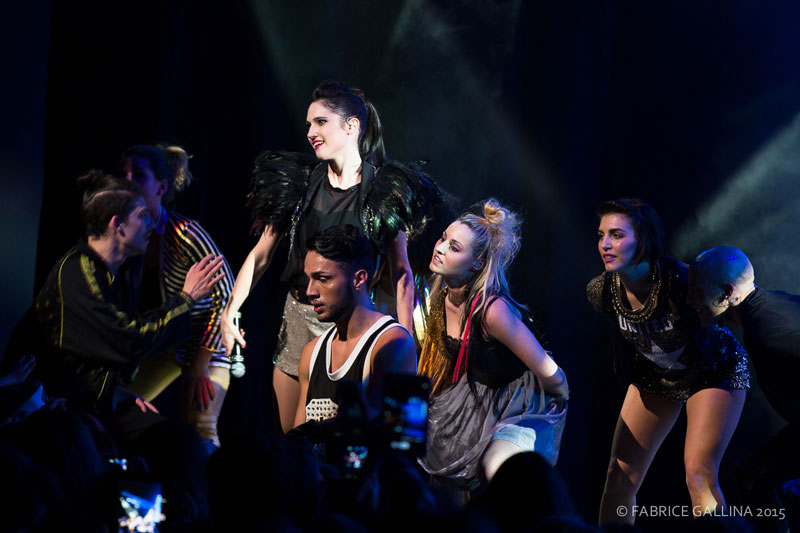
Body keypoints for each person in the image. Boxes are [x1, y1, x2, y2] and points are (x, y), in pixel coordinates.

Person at [221, 80, 447, 432]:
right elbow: (261, 254)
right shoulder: (299, 185)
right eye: (309, 124)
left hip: (357, 326)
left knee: (356, 435)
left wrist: (403, 340)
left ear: (352, 126)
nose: (311, 132)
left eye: (321, 122)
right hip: (300, 319)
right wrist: (230, 311)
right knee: (295, 440)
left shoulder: (383, 191)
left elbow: (402, 273)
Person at [587, 199, 750, 525]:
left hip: (713, 372)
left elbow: (739, 308)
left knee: (699, 475)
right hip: (657, 375)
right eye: (601, 235)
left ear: (643, 239)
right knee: (619, 477)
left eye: (617, 235)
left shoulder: (681, 279)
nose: (605, 244)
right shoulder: (601, 291)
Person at [32, 171, 224, 440]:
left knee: (173, 438)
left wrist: (119, 393)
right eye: (142, 216)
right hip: (54, 405)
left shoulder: (116, 272)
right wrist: (186, 298)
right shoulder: (78, 273)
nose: (151, 224)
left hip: (91, 397)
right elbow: (127, 340)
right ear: (118, 225)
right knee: (172, 443)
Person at [416, 199, 569, 490]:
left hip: (520, 403)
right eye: (443, 238)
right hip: (478, 395)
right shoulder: (442, 297)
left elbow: (552, 374)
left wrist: (556, 402)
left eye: (454, 247)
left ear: (477, 263)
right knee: (436, 454)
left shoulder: (491, 311)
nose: (440, 248)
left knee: (494, 468)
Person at [121, 144, 235, 450]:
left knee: (202, 425)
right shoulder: (126, 233)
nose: (128, 181)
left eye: (138, 175)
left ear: (161, 187)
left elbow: (226, 294)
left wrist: (200, 362)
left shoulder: (187, 233)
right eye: (124, 174)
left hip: (207, 342)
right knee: (116, 408)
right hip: (169, 341)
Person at [689, 246, 800, 532]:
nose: (691, 299)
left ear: (727, 292)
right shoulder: (769, 310)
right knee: (753, 475)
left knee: (755, 477)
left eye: (697, 290)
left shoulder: (769, 332)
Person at [293, 225, 417, 427]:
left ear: (359, 279)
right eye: (309, 279)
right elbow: (297, 437)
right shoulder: (311, 353)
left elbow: (374, 430)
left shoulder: (392, 343)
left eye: (322, 279)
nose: (310, 291)